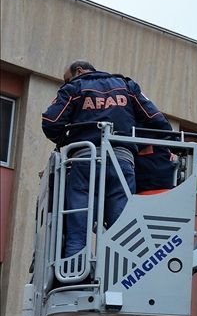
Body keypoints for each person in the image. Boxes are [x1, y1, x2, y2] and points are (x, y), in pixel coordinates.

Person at [42, 60, 172, 258]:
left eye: (65, 79)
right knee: (121, 232)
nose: (64, 83)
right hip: (122, 161)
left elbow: (51, 122)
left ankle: (72, 278)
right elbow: (158, 122)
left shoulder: (73, 88)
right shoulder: (127, 86)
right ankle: (119, 280)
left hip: (84, 160)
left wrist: (69, 138)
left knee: (78, 232)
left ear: (79, 71)